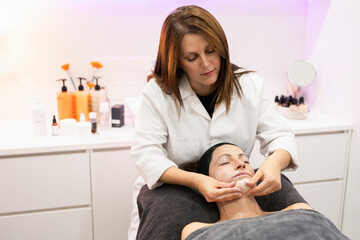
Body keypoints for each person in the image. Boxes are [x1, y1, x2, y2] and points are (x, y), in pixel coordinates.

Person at [129, 5, 298, 239]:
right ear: (177, 60)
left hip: (236, 193)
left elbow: (280, 136)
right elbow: (146, 153)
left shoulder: (249, 86)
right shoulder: (158, 94)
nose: (206, 64)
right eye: (192, 57)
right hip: (179, 190)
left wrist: (275, 163)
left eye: (211, 51)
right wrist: (197, 181)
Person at [181, 143, 349, 240]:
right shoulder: (195, 230)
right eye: (224, 162)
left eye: (245, 160)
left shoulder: (298, 210)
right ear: (206, 182)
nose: (241, 164)